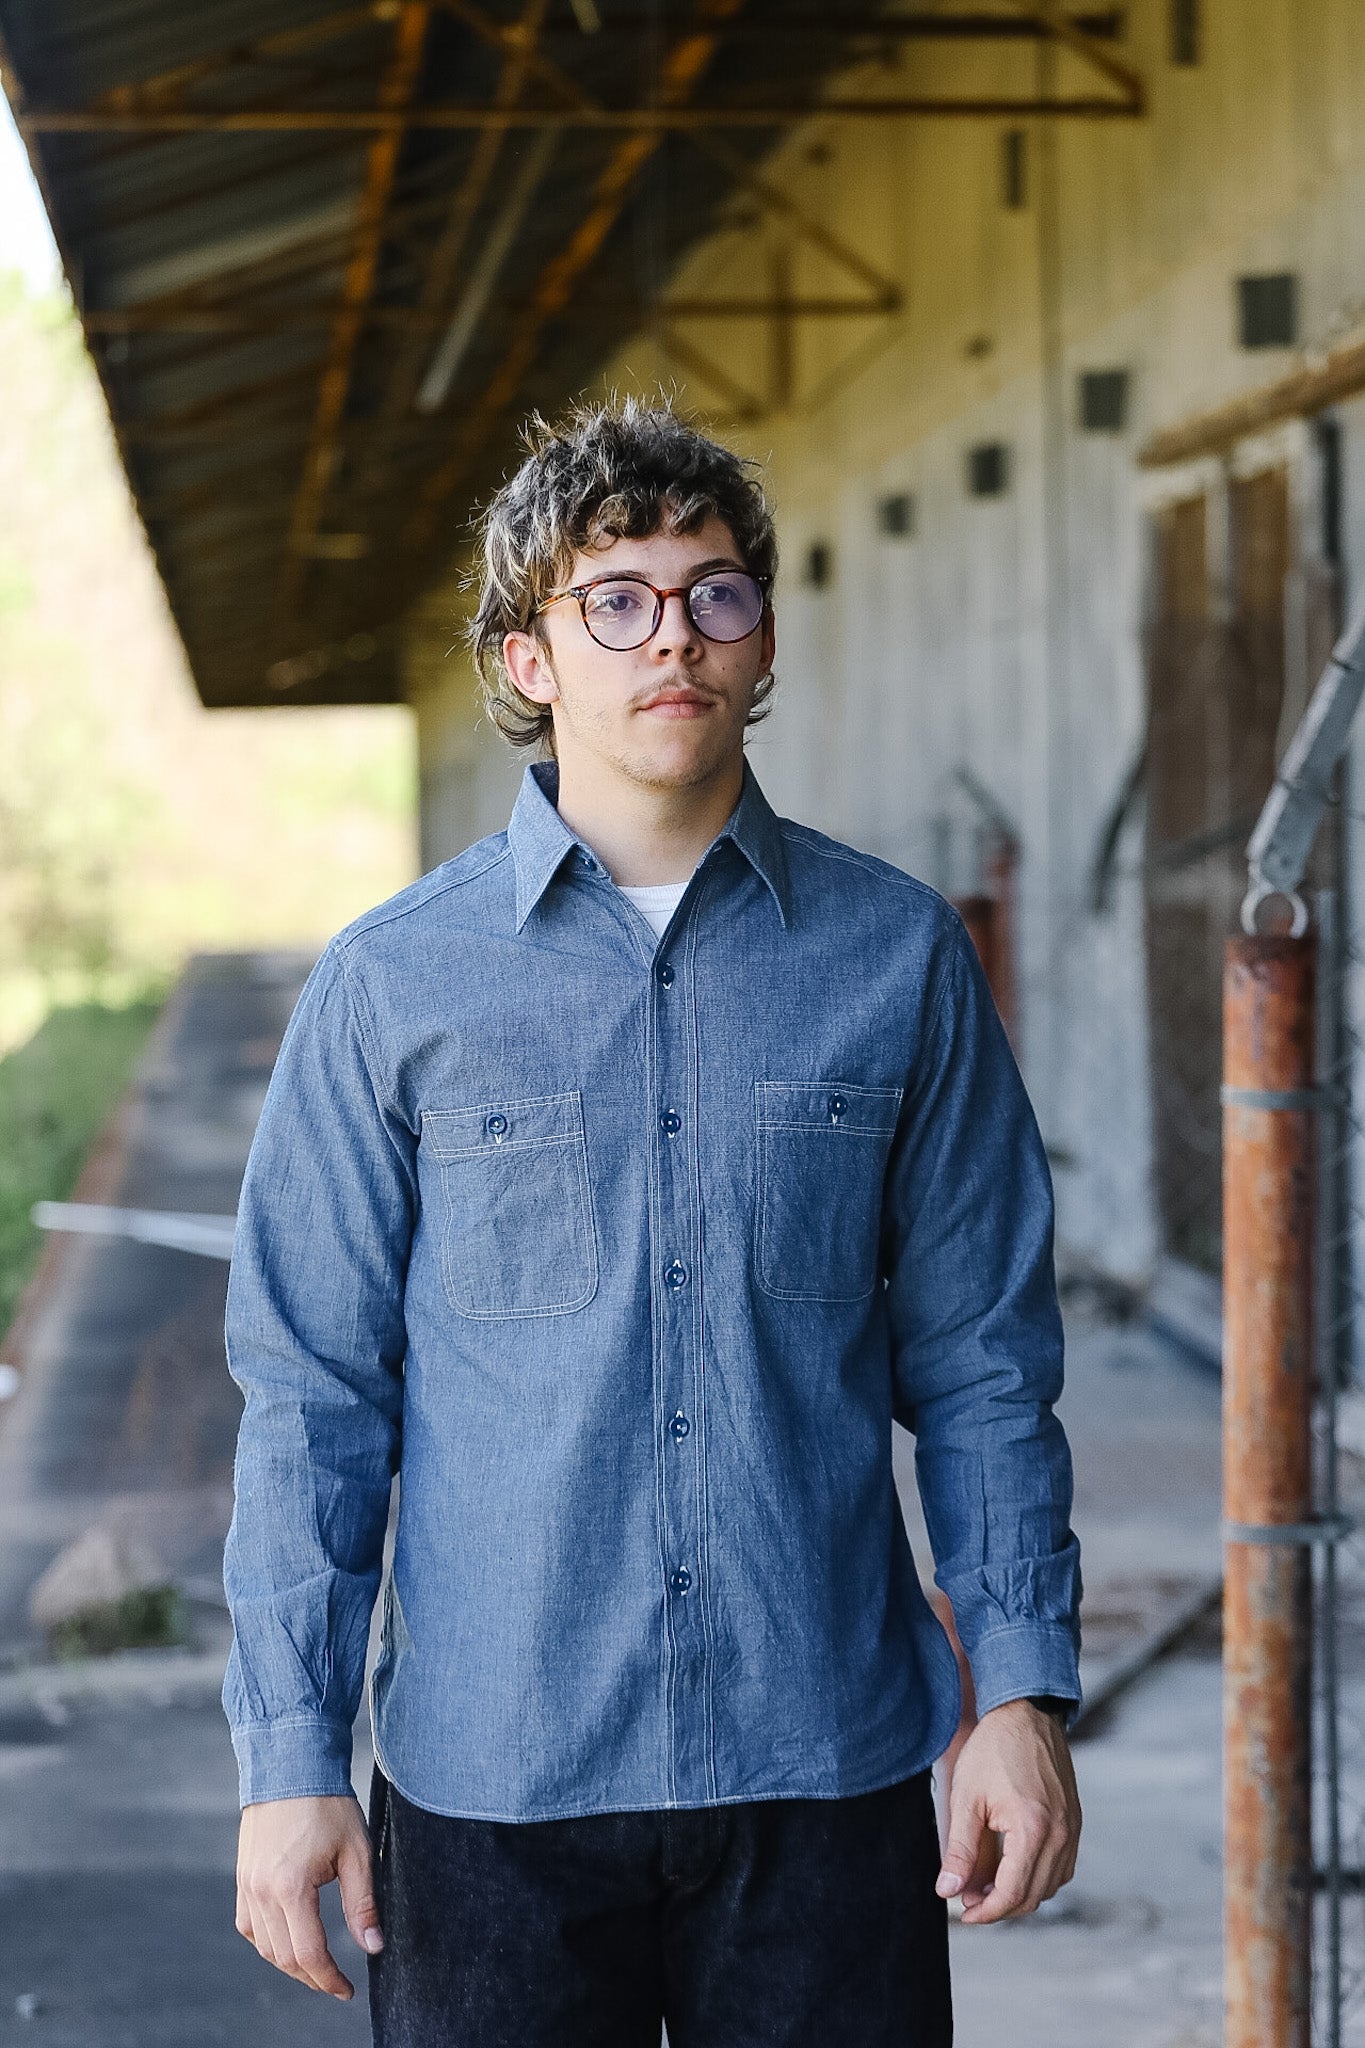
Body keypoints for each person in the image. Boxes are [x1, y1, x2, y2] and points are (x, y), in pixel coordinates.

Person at [223, 395, 1083, 2047]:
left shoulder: (894, 960)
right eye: (612, 600)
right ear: (528, 658)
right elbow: (313, 1399)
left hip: (824, 1765)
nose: (668, 636)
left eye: (713, 594)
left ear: (761, 641)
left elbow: (983, 1363)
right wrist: (287, 1762)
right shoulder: (392, 986)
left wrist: (1020, 1695)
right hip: (494, 1788)